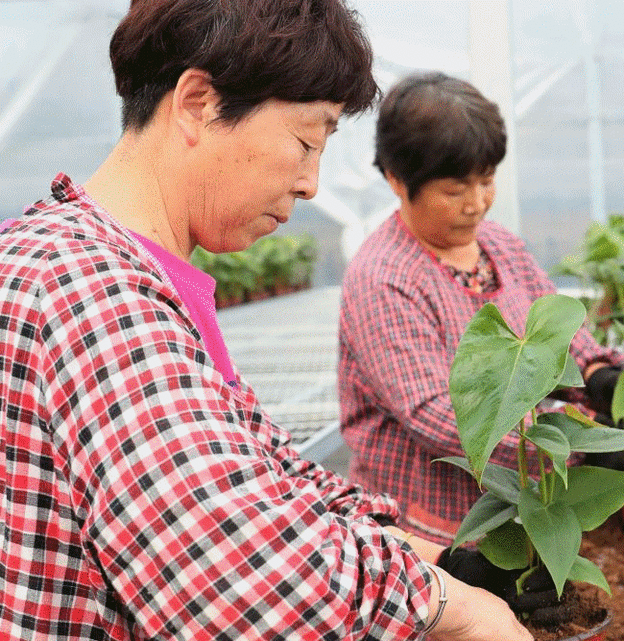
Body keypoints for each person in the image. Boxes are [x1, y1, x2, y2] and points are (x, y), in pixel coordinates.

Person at [0, 3, 533, 641]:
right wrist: (460, 608)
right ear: (197, 102)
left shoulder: (121, 271)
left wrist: (442, 562)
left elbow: (272, 477)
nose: (311, 184)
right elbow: (235, 589)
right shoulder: (86, 291)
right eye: (307, 142)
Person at [338, 72, 624, 547]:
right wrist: (569, 446)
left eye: (487, 181)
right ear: (396, 179)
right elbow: (432, 412)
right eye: (454, 191)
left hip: (520, 501)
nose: (476, 204)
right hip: (429, 527)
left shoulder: (501, 247)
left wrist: (597, 372)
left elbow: (551, 327)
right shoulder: (384, 277)